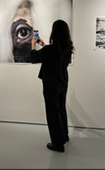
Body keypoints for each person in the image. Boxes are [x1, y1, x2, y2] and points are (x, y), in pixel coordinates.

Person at [31, 19, 74, 153]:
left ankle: (57, 143)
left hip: (51, 85)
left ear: (54, 32)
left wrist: (33, 45)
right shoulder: (68, 48)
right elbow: (55, 57)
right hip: (62, 83)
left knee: (52, 113)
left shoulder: (51, 49)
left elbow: (34, 58)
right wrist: (43, 44)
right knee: (61, 109)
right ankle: (64, 136)